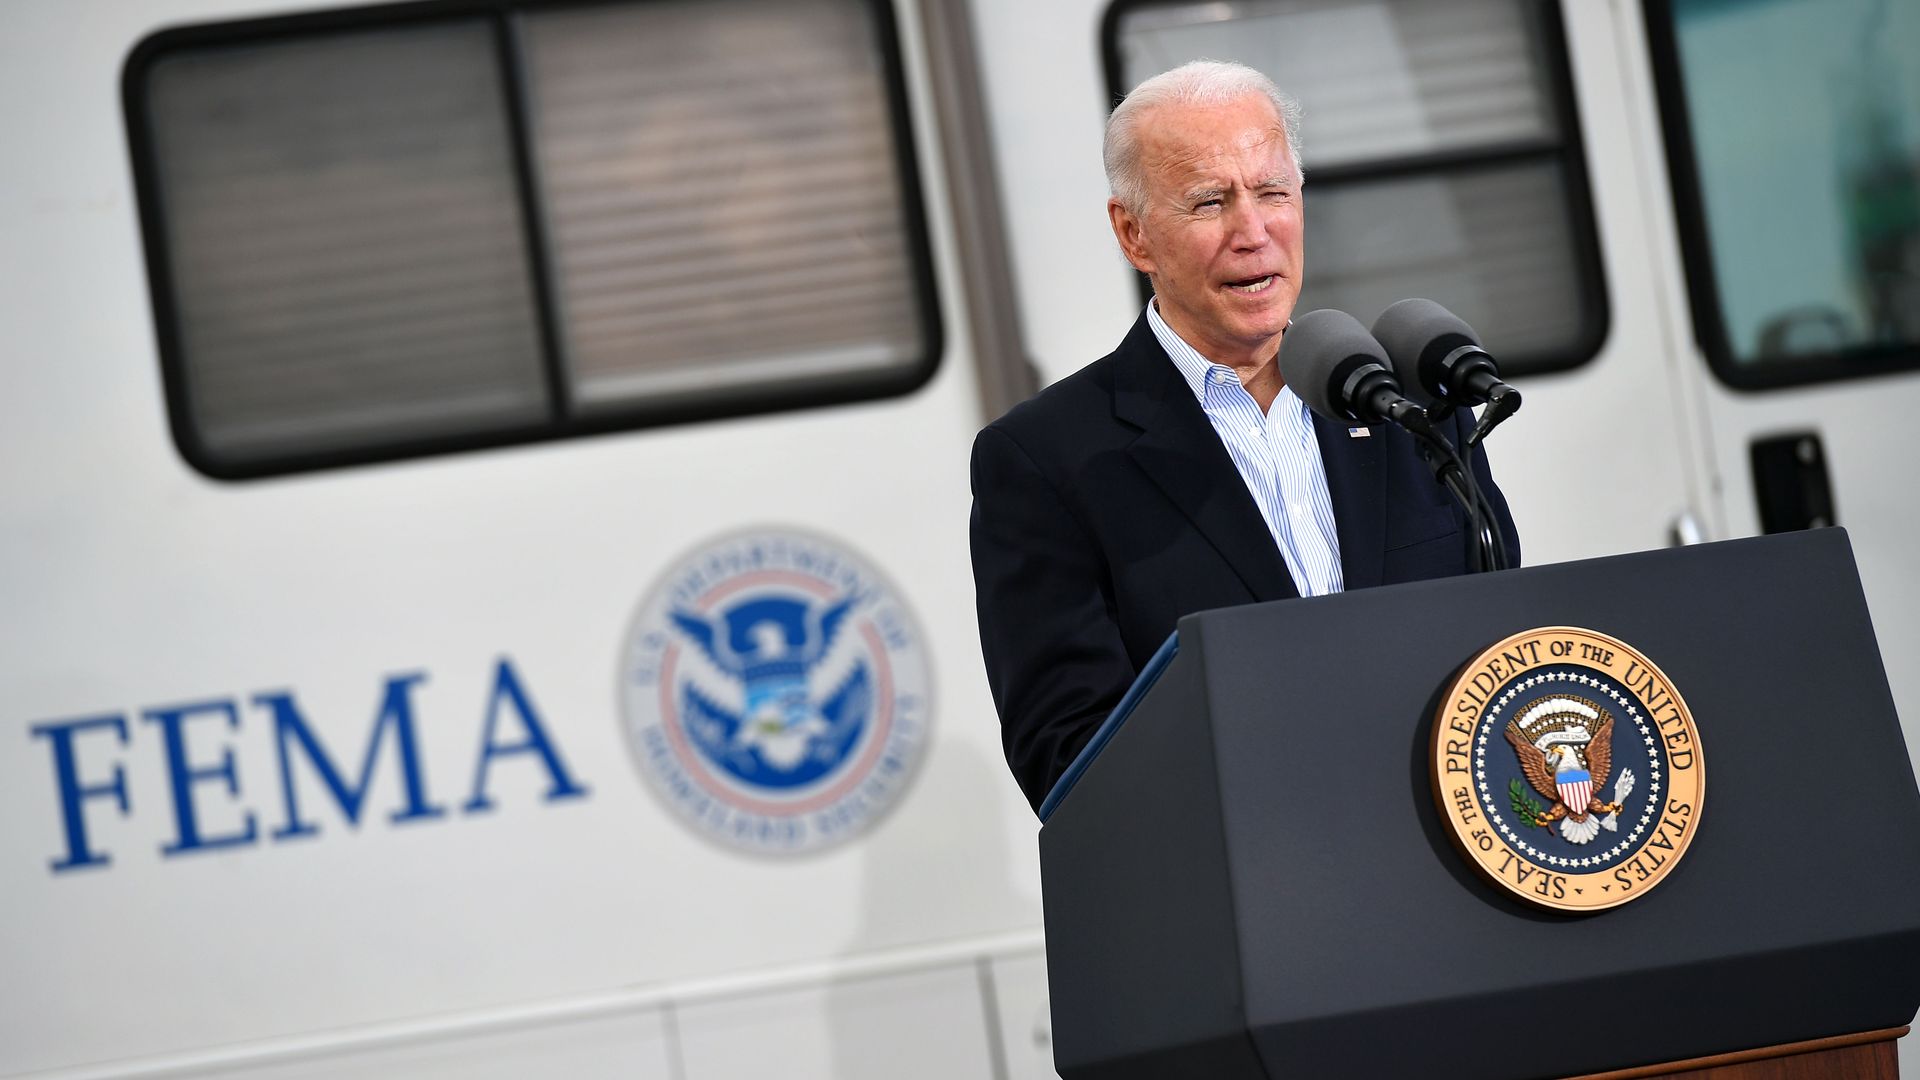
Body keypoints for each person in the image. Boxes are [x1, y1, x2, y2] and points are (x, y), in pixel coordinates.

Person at [969, 60, 1520, 812]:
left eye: (1271, 193)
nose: (1252, 233)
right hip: (1252, 885)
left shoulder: (1411, 404)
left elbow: (1509, 647)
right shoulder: (1047, 461)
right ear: (1134, 235)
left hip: (1457, 854)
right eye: (1208, 202)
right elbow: (1070, 756)